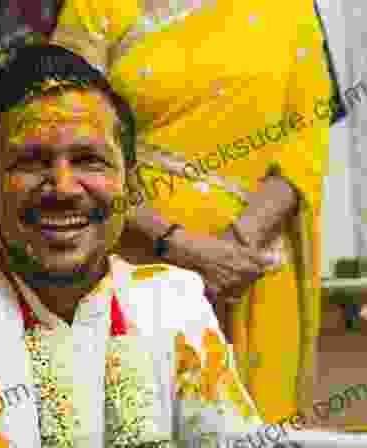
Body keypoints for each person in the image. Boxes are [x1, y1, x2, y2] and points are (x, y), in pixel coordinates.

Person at [0, 45, 265, 448]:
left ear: (133, 188)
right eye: (31, 162)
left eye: (89, 159)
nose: (64, 188)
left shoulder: (171, 298)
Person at [50, 0, 332, 421]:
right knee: (133, 421)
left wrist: (235, 247)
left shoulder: (288, 9)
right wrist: (174, 244)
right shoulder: (98, 8)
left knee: (250, 420)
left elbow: (305, 137)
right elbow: (67, 134)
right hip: (133, 259)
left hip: (252, 269)